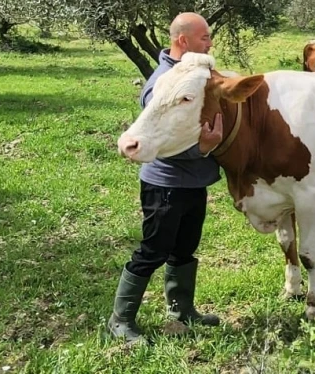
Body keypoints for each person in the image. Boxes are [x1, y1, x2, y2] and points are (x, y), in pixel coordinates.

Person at [107, 12, 224, 343]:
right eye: (204, 37)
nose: (210, 42)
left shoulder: (191, 75)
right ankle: (120, 320)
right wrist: (204, 147)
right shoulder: (163, 83)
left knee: (184, 249)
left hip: (193, 183)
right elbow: (159, 142)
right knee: (153, 250)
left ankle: (181, 310)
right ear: (183, 41)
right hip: (166, 184)